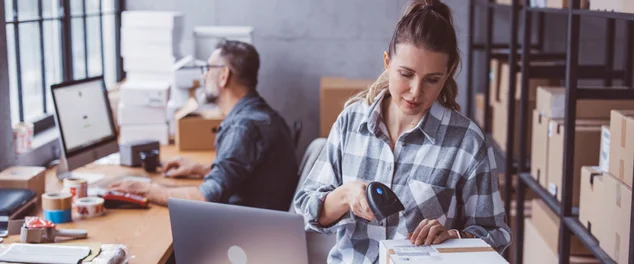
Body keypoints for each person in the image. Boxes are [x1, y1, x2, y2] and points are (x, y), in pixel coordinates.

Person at [294, 1, 511, 263]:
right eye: (406, 74)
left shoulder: (467, 143)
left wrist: (455, 236)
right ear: (387, 62)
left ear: (448, 73)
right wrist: (345, 195)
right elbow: (307, 211)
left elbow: (496, 236)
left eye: (432, 79)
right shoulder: (351, 122)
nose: (416, 91)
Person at [110, 40, 300, 211]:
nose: (203, 77)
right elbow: (251, 173)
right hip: (263, 221)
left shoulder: (243, 127)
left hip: (245, 234)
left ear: (224, 75)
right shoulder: (261, 115)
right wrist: (201, 169)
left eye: (208, 69)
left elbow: (205, 199)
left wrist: (147, 189)